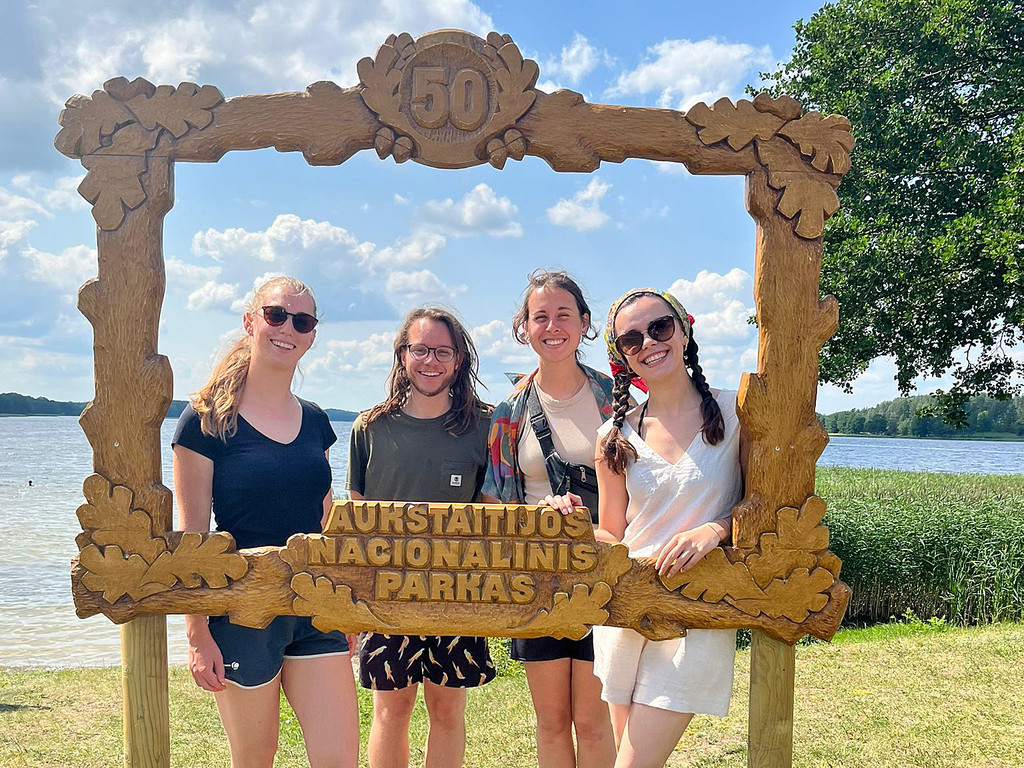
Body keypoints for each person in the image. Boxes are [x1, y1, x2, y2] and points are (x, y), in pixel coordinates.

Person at [548, 287, 745, 768]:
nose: (649, 343)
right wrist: (571, 522)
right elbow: (612, 534)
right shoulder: (612, 436)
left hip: (697, 612)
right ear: (622, 356)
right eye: (632, 339)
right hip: (625, 610)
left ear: (684, 331)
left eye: (660, 327)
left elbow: (765, 506)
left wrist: (716, 530)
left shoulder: (739, 413)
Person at [172, 276, 359, 768]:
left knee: (339, 759)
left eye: (303, 321)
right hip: (240, 610)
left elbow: (326, 522)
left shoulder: (316, 422)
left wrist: (345, 608)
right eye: (276, 315)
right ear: (250, 321)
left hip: (315, 606)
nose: (288, 328)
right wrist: (196, 633)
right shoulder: (205, 420)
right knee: (255, 757)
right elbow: (192, 538)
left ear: (312, 335)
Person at [347, 306, 496, 768]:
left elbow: (495, 515)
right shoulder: (370, 427)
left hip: (460, 592)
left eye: (443, 352)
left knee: (448, 711)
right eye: (420, 349)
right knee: (391, 711)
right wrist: (350, 603)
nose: (431, 361)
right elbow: (354, 523)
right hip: (386, 593)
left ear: (458, 360)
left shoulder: (484, 427)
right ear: (402, 355)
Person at [481, 269, 617, 768]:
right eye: (541, 316)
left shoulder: (618, 401)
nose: (552, 326)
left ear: (584, 323)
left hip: (605, 574)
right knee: (552, 721)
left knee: (594, 720)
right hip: (537, 577)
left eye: (564, 314)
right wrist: (534, 518)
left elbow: (646, 488)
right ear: (525, 327)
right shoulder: (508, 411)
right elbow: (494, 502)